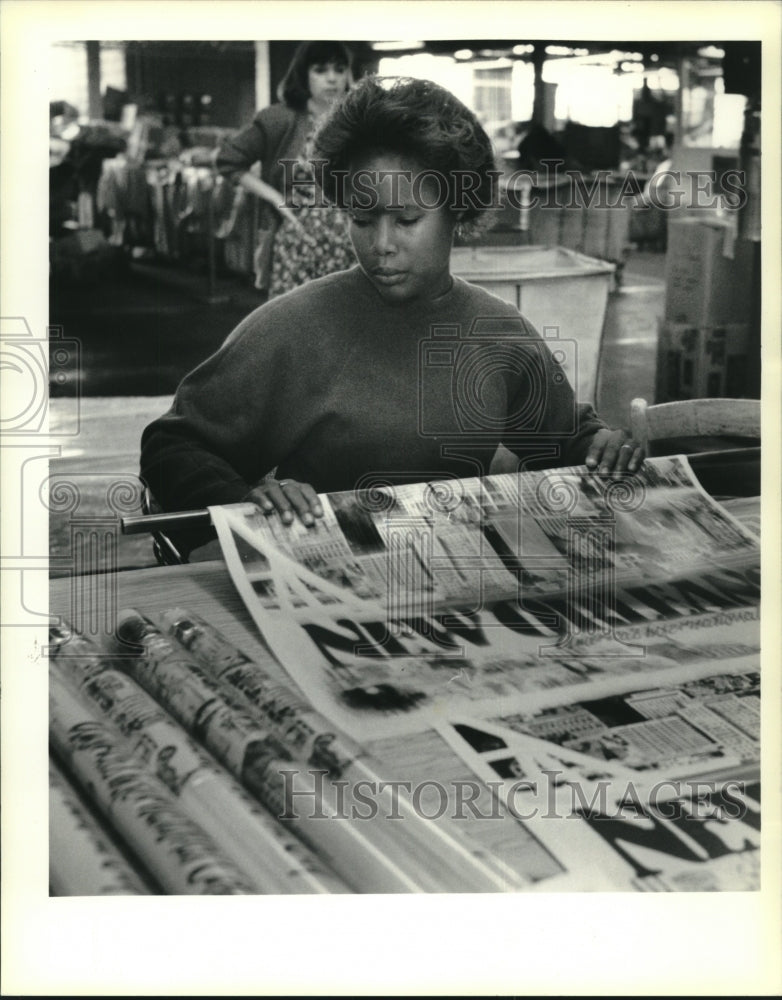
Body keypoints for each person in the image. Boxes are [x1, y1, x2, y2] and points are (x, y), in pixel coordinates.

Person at [141, 76, 643, 555]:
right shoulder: (294, 328)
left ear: (458, 212)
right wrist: (245, 500)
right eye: (361, 219)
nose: (381, 245)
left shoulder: (498, 334)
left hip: (457, 578)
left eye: (407, 220)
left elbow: (562, 440)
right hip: (330, 582)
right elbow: (174, 443)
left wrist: (603, 448)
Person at [216, 40, 356, 297]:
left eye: (339, 69)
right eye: (321, 70)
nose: (332, 79)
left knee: (346, 327)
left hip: (351, 247)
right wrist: (276, 198)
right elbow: (229, 159)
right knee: (294, 327)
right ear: (304, 74)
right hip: (298, 245)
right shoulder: (280, 118)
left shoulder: (357, 121)